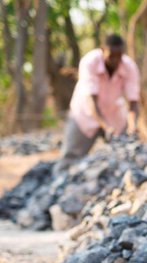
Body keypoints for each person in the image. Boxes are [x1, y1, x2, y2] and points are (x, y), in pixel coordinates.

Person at [58, 34, 140, 171]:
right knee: (70, 158)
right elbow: (91, 102)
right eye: (111, 55)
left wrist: (132, 125)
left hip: (114, 116)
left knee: (125, 156)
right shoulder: (90, 62)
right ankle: (59, 185)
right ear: (102, 50)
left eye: (119, 56)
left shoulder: (129, 67)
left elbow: (133, 101)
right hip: (84, 116)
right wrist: (106, 127)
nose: (115, 60)